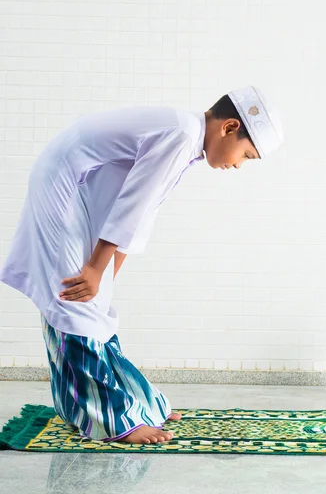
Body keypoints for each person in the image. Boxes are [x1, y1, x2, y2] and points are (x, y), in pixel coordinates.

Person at [0, 85, 284, 444]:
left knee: (93, 304)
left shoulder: (187, 137)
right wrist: (94, 269)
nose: (238, 165)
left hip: (80, 188)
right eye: (246, 155)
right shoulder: (182, 134)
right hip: (64, 182)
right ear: (229, 128)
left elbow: (139, 211)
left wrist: (103, 275)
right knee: (72, 301)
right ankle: (109, 419)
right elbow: (133, 203)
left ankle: (134, 403)